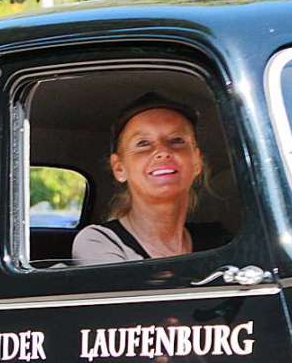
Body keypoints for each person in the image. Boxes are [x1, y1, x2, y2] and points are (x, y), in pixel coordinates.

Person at [72, 93, 225, 264]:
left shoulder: (220, 242)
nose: (162, 152)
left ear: (197, 162)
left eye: (176, 140)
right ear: (119, 168)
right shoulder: (99, 242)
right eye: (143, 143)